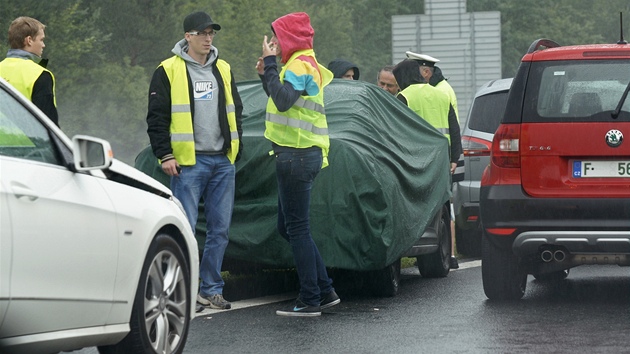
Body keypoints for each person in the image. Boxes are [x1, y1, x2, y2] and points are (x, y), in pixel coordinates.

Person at [146, 11, 243, 310]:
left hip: (222, 162)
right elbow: (156, 118)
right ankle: (183, 291)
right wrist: (165, 154)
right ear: (188, 36)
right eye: (202, 33)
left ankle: (211, 289)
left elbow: (236, 109)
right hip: (189, 163)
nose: (208, 37)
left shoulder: (223, 68)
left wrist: (235, 148)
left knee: (220, 230)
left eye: (211, 33)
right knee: (184, 228)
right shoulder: (168, 70)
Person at [255, 12, 340, 317]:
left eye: (278, 36)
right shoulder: (305, 63)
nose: (275, 42)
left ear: (289, 38)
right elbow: (282, 97)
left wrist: (271, 66)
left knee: (298, 229)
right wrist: (268, 72)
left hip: (297, 155)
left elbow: (282, 99)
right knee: (287, 226)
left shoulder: (299, 65)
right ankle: (325, 290)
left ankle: (310, 298)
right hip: (301, 154)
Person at [393, 59, 463, 269]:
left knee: (419, 204)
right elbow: (454, 129)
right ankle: (447, 256)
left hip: (416, 159)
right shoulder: (441, 94)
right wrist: (454, 158)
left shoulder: (404, 97)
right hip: (442, 159)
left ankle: (420, 245)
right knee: (443, 204)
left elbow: (397, 130)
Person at [0, 16, 58, 126]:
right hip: (28, 143)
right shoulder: (40, 75)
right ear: (29, 40)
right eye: (41, 40)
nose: (43, 45)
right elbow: (48, 125)